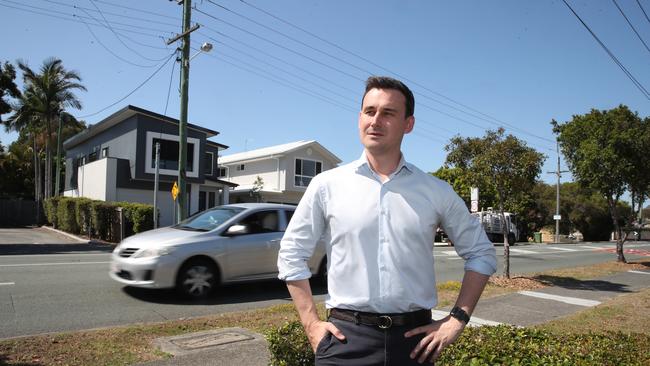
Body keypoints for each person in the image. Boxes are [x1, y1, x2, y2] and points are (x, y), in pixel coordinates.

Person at [277, 76, 497, 365]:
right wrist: (312, 326)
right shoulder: (326, 185)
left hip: (414, 345)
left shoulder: (435, 190)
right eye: (369, 111)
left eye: (388, 113)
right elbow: (292, 253)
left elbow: (481, 252)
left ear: (409, 124)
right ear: (359, 118)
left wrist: (457, 319)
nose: (375, 120)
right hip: (345, 342)